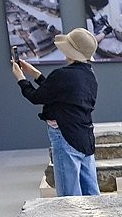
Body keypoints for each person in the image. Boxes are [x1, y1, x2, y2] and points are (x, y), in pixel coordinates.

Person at [12, 28, 101, 196]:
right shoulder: (89, 75)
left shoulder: (62, 75)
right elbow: (59, 92)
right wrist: (35, 74)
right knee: (91, 193)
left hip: (64, 136)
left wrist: (21, 78)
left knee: (68, 197)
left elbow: (37, 97)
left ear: (70, 51)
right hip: (84, 136)